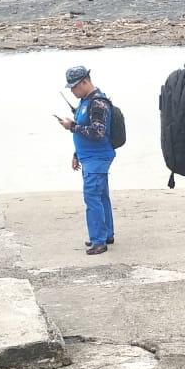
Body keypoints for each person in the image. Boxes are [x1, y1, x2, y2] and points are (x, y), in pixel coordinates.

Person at [59, 65, 115, 255]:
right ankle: (106, 234)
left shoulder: (98, 103)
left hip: (98, 158)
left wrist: (71, 126)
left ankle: (98, 241)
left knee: (92, 197)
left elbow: (97, 132)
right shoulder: (85, 101)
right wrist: (76, 154)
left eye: (75, 87)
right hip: (89, 157)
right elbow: (84, 131)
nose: (73, 91)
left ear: (85, 81)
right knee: (101, 196)